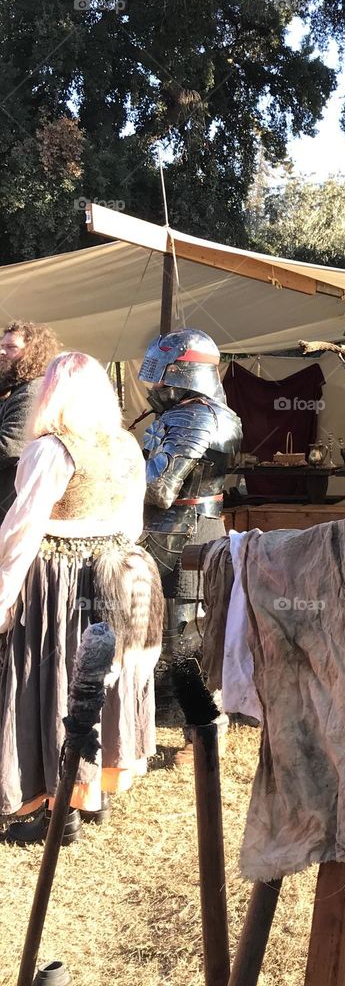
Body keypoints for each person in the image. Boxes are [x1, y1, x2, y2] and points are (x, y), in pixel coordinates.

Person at [0, 352, 163, 845]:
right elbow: (133, 523)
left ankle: (59, 806)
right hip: (115, 572)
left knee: (54, 678)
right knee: (101, 677)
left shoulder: (51, 449)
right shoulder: (126, 446)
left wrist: (4, 593)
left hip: (57, 581)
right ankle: (94, 793)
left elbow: (23, 528)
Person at [138, 328, 241, 661]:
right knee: (190, 640)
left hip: (178, 536)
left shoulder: (191, 416)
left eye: (162, 377)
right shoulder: (218, 413)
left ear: (184, 372)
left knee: (176, 646)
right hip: (199, 528)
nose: (156, 387)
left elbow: (160, 488)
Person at [0, 321, 61, 523]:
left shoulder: (31, 392)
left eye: (11, 347)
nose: (2, 352)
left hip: (10, 501)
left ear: (32, 352)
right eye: (2, 346)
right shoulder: (17, 389)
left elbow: (10, 448)